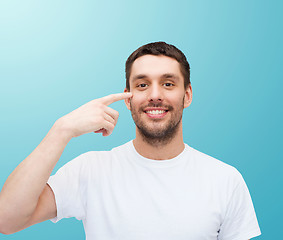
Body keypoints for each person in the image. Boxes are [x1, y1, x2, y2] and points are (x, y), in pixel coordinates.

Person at [0, 42, 261, 239]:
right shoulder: (91, 170)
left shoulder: (225, 180)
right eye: (142, 85)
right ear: (128, 97)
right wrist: (61, 130)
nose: (155, 95)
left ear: (187, 95)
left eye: (168, 84)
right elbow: (7, 219)